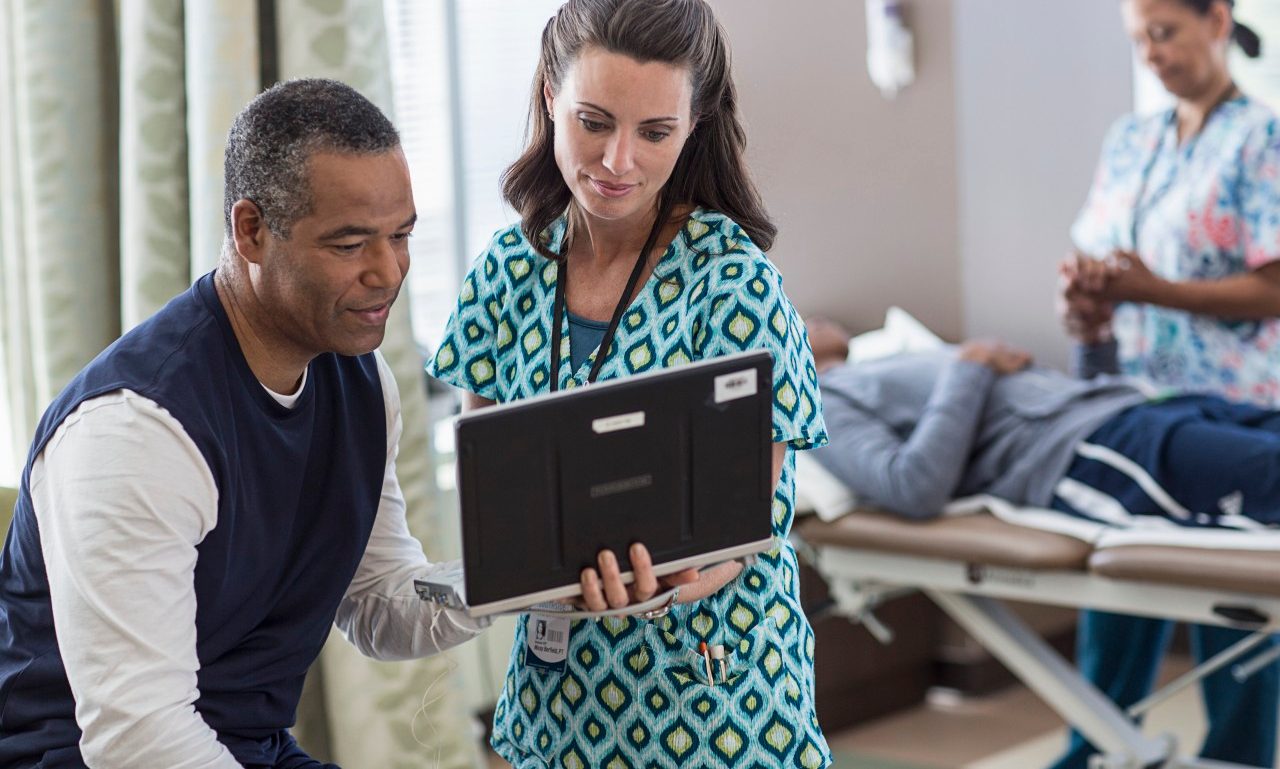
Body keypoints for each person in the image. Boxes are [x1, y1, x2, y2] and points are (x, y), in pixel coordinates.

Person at [0, 78, 654, 769]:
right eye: (349, 245)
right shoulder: (134, 432)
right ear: (251, 230)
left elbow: (379, 603)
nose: (388, 271)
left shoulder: (362, 385)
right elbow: (137, 739)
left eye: (401, 236)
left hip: (246, 749)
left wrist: (532, 570)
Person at [426, 1, 830, 766]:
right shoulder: (509, 273)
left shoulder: (734, 286)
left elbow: (732, 537)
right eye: (593, 121)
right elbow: (498, 498)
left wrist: (660, 581)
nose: (617, 162)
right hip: (554, 708)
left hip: (715, 711)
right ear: (550, 94)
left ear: (696, 122)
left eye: (655, 132)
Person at [1056, 1, 1280, 765]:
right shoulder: (1132, 140)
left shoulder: (1261, 138)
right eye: (1138, 40)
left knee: (1234, 615)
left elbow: (1275, 285)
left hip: (1239, 411)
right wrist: (1086, 298)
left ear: (1216, 20)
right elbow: (1098, 253)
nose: (1151, 53)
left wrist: (1157, 292)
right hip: (1138, 406)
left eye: (1164, 32)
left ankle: (1239, 757)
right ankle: (1096, 745)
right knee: (1113, 610)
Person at [808, 319, 1280, 531]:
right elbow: (913, 486)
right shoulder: (820, 401)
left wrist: (1094, 341)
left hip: (1132, 413)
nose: (811, 313)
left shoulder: (879, 364)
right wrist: (970, 365)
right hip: (1086, 455)